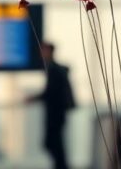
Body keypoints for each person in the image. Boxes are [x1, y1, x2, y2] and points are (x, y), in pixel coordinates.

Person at [26, 41, 75, 169]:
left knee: (53, 143)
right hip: (56, 113)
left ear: (49, 52)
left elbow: (50, 92)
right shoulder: (53, 68)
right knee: (54, 143)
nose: (41, 53)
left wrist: (33, 98)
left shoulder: (54, 69)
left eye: (43, 50)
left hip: (55, 113)